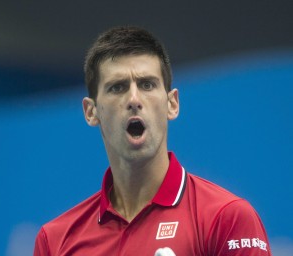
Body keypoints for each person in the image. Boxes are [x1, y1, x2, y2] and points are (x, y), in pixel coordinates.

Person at [34, 26, 272, 256]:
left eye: (147, 84)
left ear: (172, 104)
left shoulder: (227, 218)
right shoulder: (55, 241)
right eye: (118, 87)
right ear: (91, 111)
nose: (134, 99)